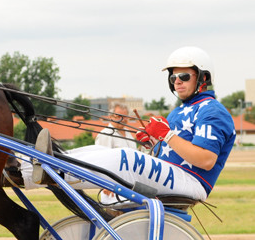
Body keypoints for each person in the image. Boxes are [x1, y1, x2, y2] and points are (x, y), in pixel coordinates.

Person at [22, 46, 236, 201]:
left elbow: (206, 159)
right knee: (97, 149)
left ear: (203, 78)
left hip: (192, 182)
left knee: (125, 157)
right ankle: (27, 165)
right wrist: (153, 143)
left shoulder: (213, 111)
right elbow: (174, 151)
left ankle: (49, 173)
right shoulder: (179, 111)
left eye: (183, 76)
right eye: (173, 77)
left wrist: (168, 135)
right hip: (174, 176)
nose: (177, 81)